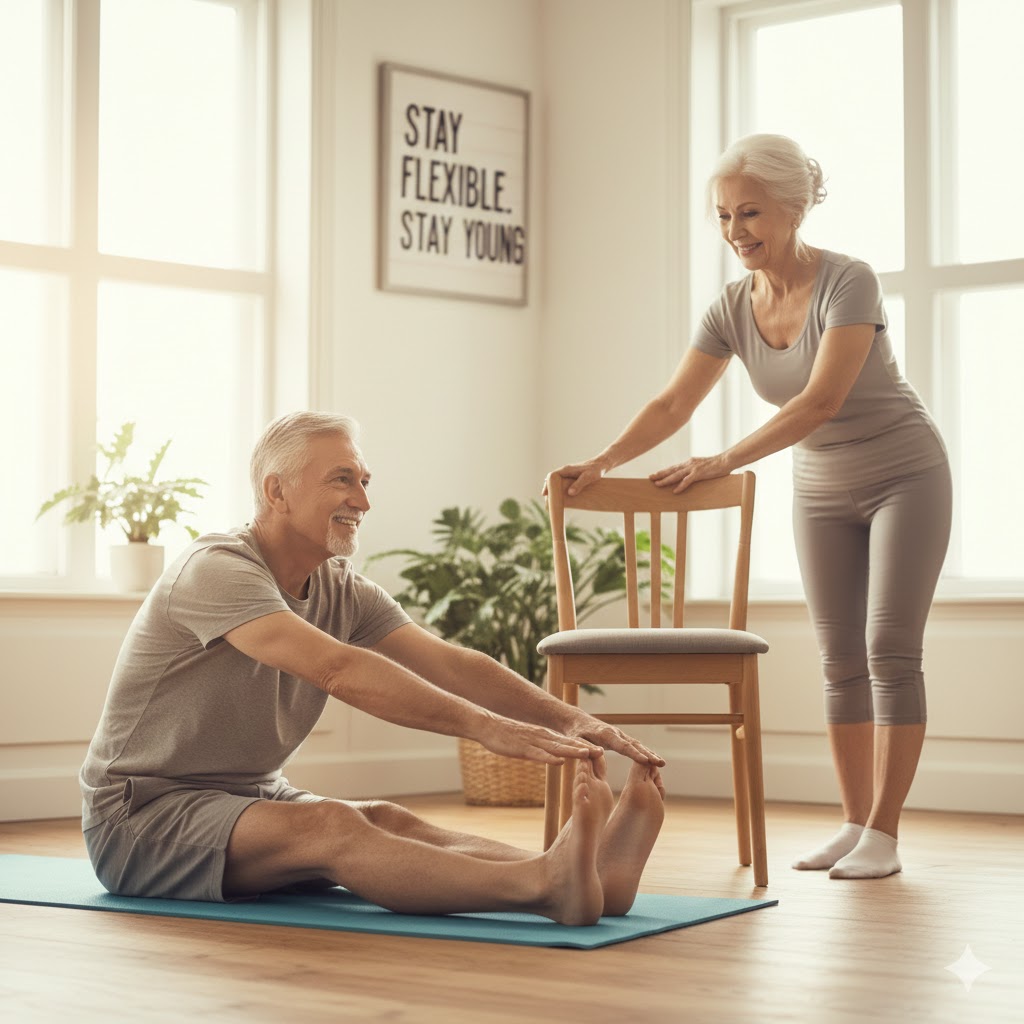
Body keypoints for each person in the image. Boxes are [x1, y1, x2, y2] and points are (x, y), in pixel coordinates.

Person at [80, 411, 667, 925]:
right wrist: (490, 730)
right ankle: (544, 888)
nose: (362, 501)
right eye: (342, 480)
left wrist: (572, 721)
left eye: (363, 481)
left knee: (385, 818)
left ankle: (592, 875)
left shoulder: (341, 590)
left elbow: (453, 665)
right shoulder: (216, 569)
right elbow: (336, 668)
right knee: (336, 827)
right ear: (276, 491)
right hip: (140, 817)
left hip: (248, 799)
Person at [551, 134, 951, 880]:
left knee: (889, 650)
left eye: (751, 213)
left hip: (906, 472)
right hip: (821, 486)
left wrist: (724, 460)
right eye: (725, 216)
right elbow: (673, 401)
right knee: (839, 660)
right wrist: (604, 460)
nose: (736, 232)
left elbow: (822, 398)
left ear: (794, 209)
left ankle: (886, 836)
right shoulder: (731, 307)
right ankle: (854, 822)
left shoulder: (849, 282)